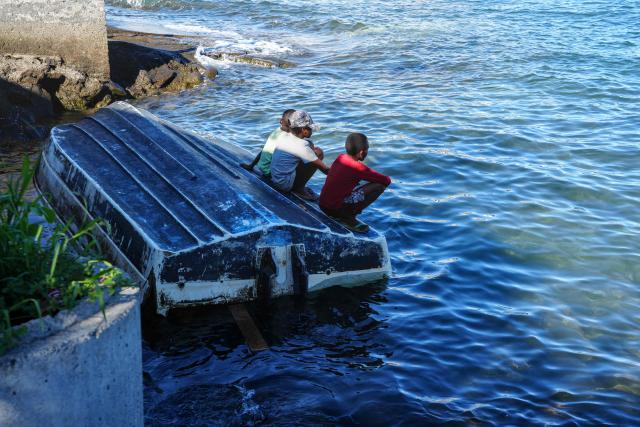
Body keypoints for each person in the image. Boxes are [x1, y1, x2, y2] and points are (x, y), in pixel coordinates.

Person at [319, 132, 391, 233]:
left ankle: (346, 213)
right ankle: (348, 217)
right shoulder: (358, 168)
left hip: (322, 204)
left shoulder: (340, 158)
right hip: (336, 210)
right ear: (361, 152)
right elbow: (386, 180)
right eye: (367, 149)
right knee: (380, 186)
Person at [270, 110, 330, 200]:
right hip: (284, 184)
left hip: (276, 178)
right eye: (310, 128)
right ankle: (299, 188)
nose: (312, 130)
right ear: (303, 130)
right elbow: (324, 169)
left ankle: (298, 185)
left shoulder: (285, 136)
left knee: (311, 148)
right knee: (318, 154)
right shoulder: (301, 146)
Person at [240, 109, 295, 177]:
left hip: (262, 166)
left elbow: (265, 150)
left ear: (281, 120)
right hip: (270, 172)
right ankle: (298, 186)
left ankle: (251, 166)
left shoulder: (277, 130)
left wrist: (251, 166)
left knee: (267, 148)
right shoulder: (287, 136)